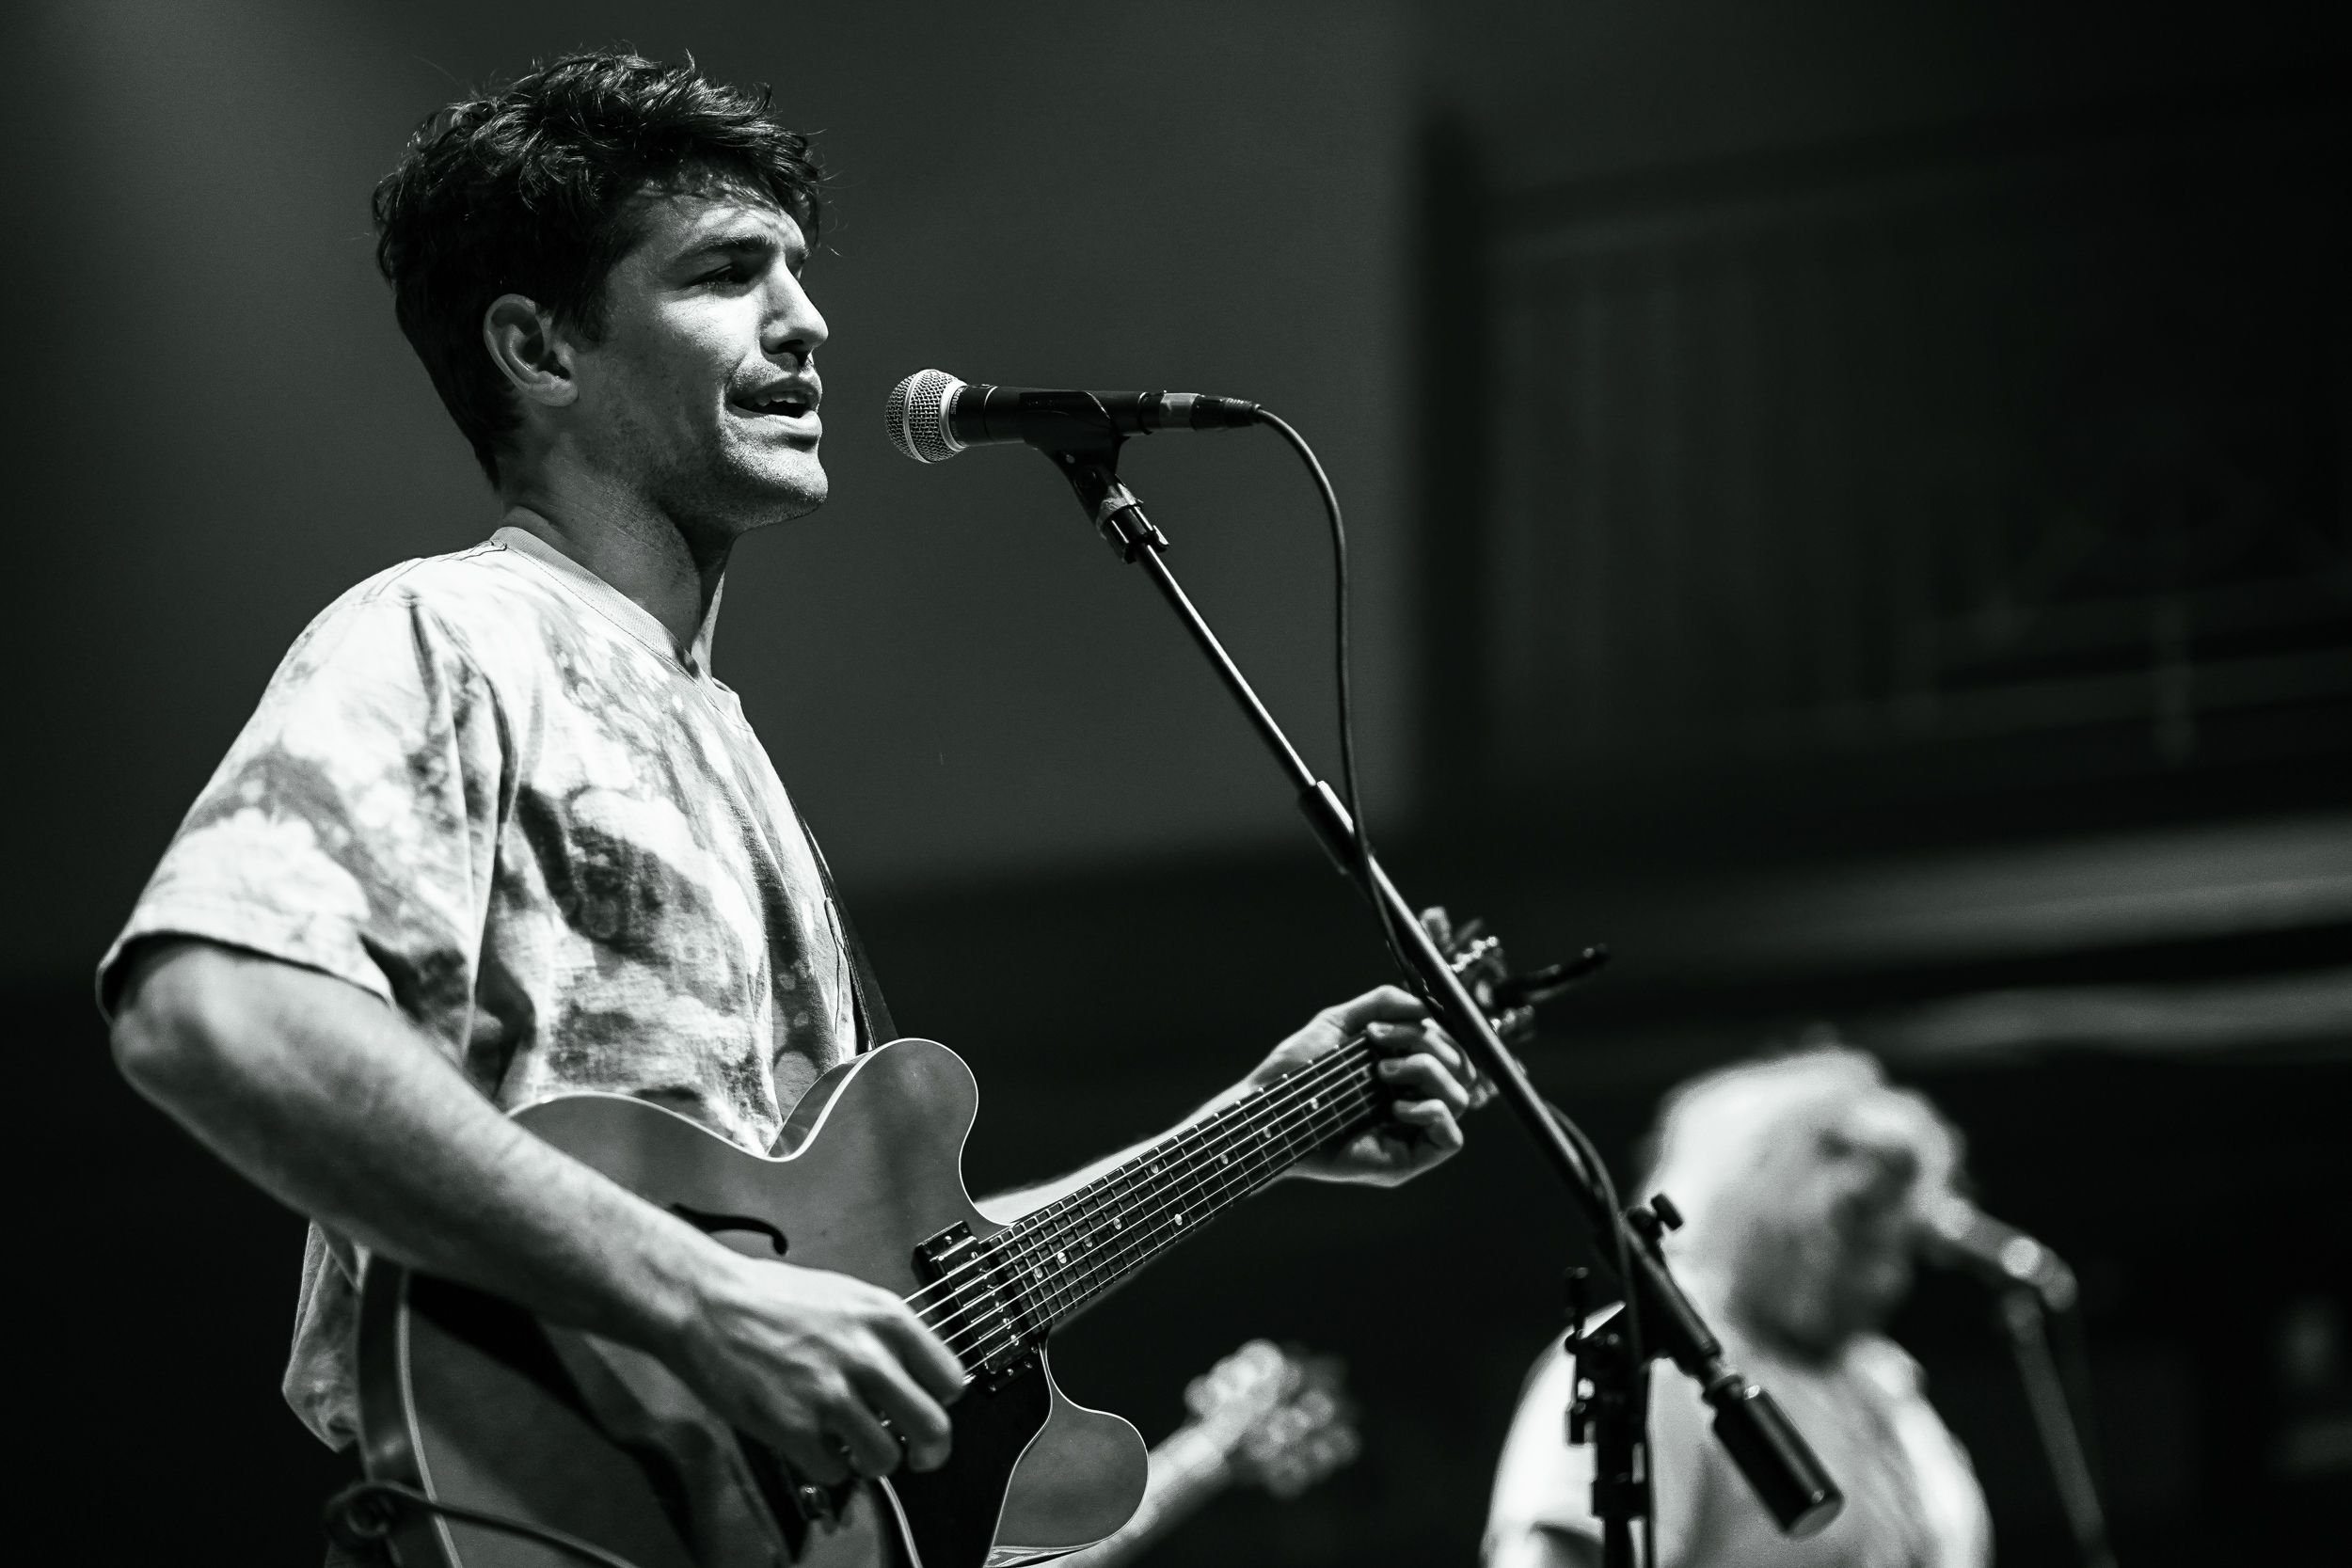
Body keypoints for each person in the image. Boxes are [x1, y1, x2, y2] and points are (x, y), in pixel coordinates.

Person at [100, 49, 1473, 1557]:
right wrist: (703, 1298)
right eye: (723, 272)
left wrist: (1258, 1123)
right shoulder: (453, 634)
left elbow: (866, 1291)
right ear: (539, 349)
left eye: (799, 271)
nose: (807, 320)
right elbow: (209, 1009)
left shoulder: (723, 741)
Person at [1486, 1046, 1992, 1568]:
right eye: (1858, 1242)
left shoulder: (1881, 1383)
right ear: (1766, 1220)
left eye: (1898, 1247)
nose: (1890, 1281)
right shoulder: (1654, 1365)